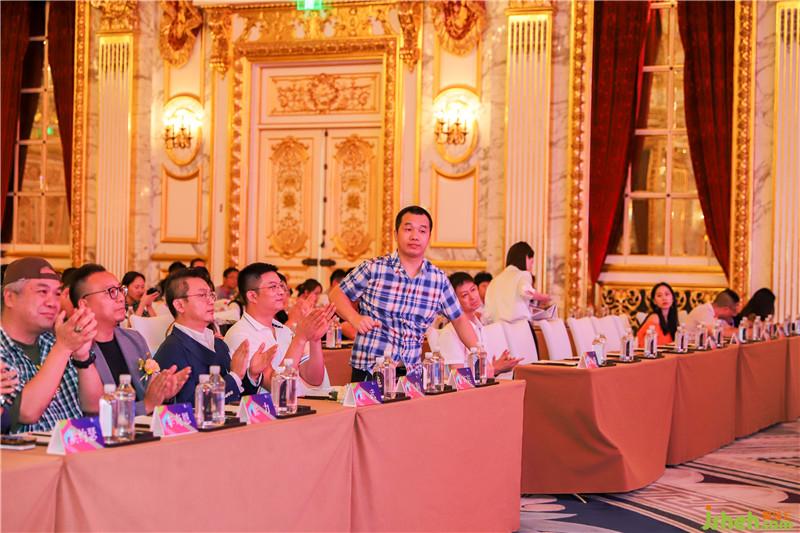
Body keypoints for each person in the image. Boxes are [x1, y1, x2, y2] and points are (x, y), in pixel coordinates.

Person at [330, 205, 479, 381]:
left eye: (422, 231)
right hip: (370, 370)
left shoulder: (438, 279)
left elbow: (459, 319)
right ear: (395, 234)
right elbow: (336, 295)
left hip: (411, 375)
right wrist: (355, 318)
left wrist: (479, 353)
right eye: (408, 229)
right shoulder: (374, 268)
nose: (415, 236)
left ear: (429, 237)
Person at [0, 257, 104, 433]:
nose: (52, 303)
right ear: (10, 298)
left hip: (77, 443)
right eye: (42, 292)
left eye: (57, 294)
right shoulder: (60, 344)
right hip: (32, 450)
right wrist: (63, 348)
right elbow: (26, 412)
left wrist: (82, 358)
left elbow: (95, 407)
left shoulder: (52, 341)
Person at [71, 264, 190, 415]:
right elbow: (93, 413)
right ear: (84, 304)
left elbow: (148, 394)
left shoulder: (133, 339)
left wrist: (163, 393)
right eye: (111, 292)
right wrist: (146, 405)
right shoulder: (75, 349)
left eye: (120, 290)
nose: (121, 298)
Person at [154, 268, 272, 404]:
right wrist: (235, 376)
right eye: (202, 295)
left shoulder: (219, 344)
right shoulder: (172, 349)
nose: (211, 301)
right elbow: (192, 405)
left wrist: (251, 374)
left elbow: (237, 397)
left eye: (211, 295)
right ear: (179, 305)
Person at [223, 263, 334, 393]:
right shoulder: (241, 335)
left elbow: (314, 380)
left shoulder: (283, 330)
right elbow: (278, 388)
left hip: (302, 401)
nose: (281, 292)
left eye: (281, 286)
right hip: (271, 405)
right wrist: (300, 338)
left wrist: (315, 339)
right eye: (273, 287)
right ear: (252, 296)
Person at [440, 272, 523, 376]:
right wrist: (495, 369)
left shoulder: (480, 326)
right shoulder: (450, 332)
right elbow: (457, 378)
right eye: (465, 295)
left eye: (473, 290)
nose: (472, 297)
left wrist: (494, 366)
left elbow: (480, 368)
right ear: (454, 301)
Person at [485, 242, 551, 324]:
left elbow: (487, 314)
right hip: (519, 327)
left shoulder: (494, 281)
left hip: (497, 328)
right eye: (531, 262)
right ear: (526, 257)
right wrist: (544, 297)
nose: (531, 267)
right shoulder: (523, 274)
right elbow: (526, 291)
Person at [636, 282, 678, 347]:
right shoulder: (655, 318)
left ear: (672, 298)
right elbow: (652, 346)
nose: (664, 298)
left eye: (667, 294)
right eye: (659, 296)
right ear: (654, 301)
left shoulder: (671, 319)